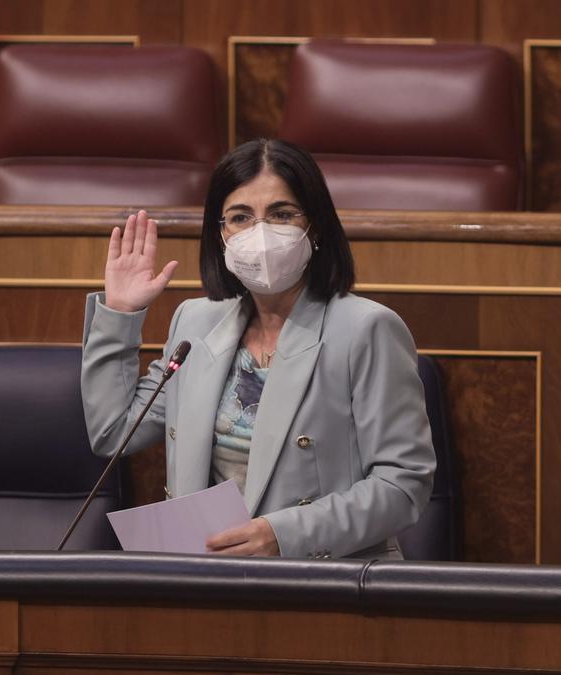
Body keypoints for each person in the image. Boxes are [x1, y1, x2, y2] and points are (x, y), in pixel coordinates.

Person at [81, 138, 436, 559]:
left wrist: (284, 534)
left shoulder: (366, 329)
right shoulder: (195, 321)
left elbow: (403, 484)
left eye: (281, 214)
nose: (260, 233)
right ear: (221, 233)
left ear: (315, 226)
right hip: (207, 578)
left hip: (322, 581)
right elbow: (112, 431)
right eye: (240, 217)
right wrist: (120, 314)